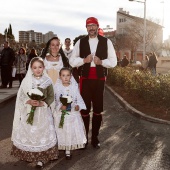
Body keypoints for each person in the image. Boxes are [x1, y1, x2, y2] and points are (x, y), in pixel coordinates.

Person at [69, 17, 117, 148]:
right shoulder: (80, 42)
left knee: (97, 109)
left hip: (99, 80)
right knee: (84, 109)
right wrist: (84, 60)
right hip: (85, 80)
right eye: (88, 26)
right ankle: (83, 137)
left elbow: (113, 61)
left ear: (97, 26)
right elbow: (72, 61)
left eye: (93, 25)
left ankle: (95, 137)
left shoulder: (106, 42)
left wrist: (101, 62)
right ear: (86, 28)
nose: (91, 28)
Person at [11, 57, 58, 168]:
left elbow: (51, 96)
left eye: (40, 67)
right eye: (35, 67)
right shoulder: (27, 81)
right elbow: (21, 95)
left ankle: (41, 159)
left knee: (41, 134)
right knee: (31, 134)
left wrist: (43, 103)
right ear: (31, 69)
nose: (38, 70)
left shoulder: (47, 81)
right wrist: (29, 101)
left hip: (43, 114)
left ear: (43, 68)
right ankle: (30, 155)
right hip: (29, 112)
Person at [53, 67, 86, 159]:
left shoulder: (74, 87)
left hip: (71, 113)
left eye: (68, 75)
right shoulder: (57, 87)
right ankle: (60, 146)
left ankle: (68, 149)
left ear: (71, 76)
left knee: (69, 131)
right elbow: (54, 101)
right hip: (60, 113)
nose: (66, 77)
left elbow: (78, 99)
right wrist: (60, 106)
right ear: (60, 77)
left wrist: (77, 106)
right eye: (63, 75)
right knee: (61, 130)